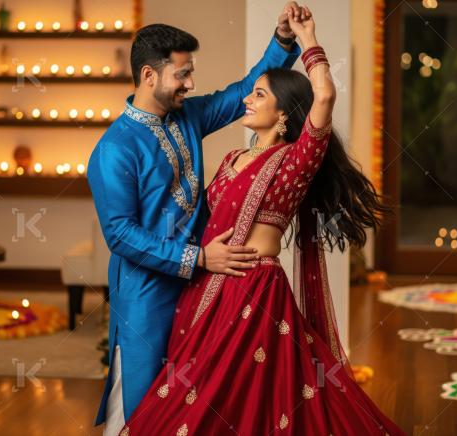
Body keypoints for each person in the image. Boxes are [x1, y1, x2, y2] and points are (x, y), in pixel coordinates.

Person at [114, 7, 405, 435]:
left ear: (285, 114)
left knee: (245, 399)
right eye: (250, 94)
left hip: (255, 292)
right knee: (194, 397)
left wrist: (305, 37)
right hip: (206, 286)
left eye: (259, 95)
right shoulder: (233, 159)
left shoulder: (294, 161)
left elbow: (323, 97)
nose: (246, 99)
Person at [87, 3, 308, 435]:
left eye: (191, 72)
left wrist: (283, 40)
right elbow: (120, 234)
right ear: (149, 75)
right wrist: (198, 257)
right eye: (182, 74)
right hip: (148, 295)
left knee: (201, 409)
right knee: (142, 409)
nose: (191, 83)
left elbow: (244, 90)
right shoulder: (114, 149)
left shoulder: (187, 116)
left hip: (204, 288)